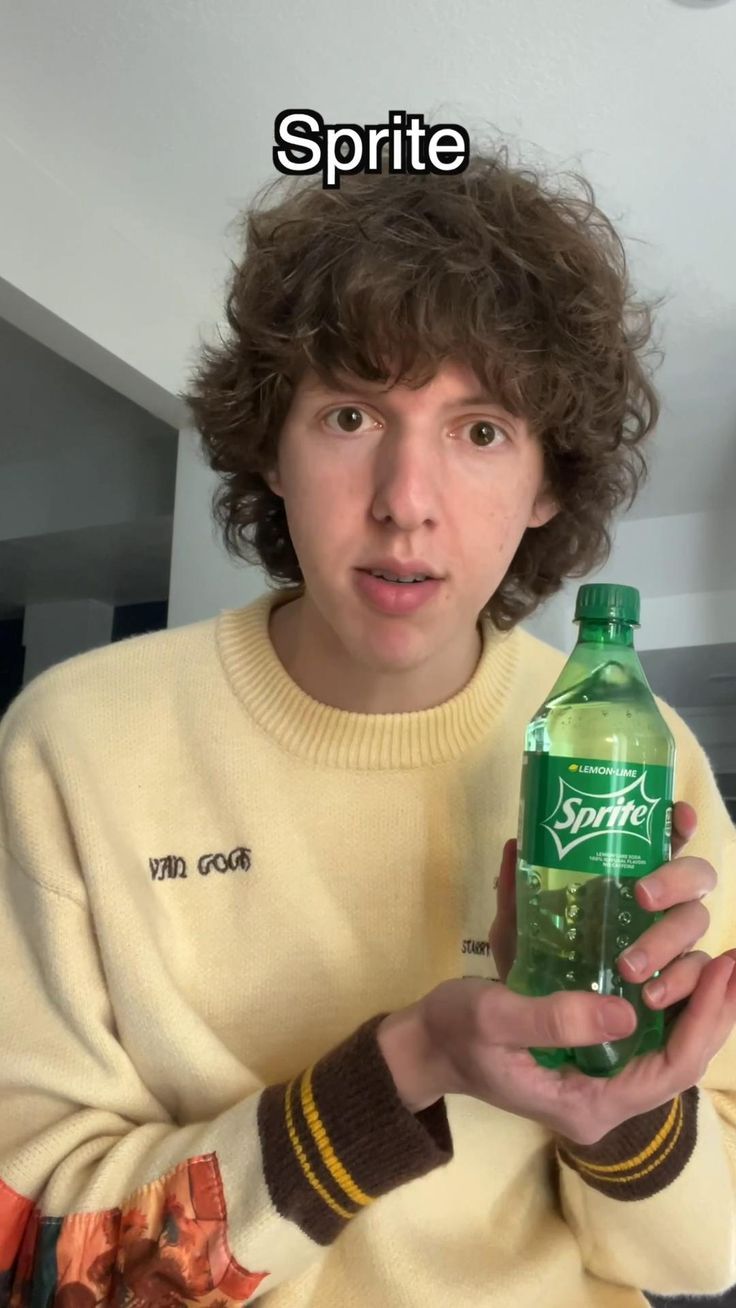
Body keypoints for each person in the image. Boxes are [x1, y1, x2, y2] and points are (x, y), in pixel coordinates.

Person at [1, 147, 735, 1308]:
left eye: (480, 430)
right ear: (271, 452)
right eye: (350, 414)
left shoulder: (632, 761)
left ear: (549, 483)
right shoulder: (71, 749)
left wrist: (628, 1114)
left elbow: (703, 1256)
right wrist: (411, 1064)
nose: (405, 497)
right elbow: (37, 1266)